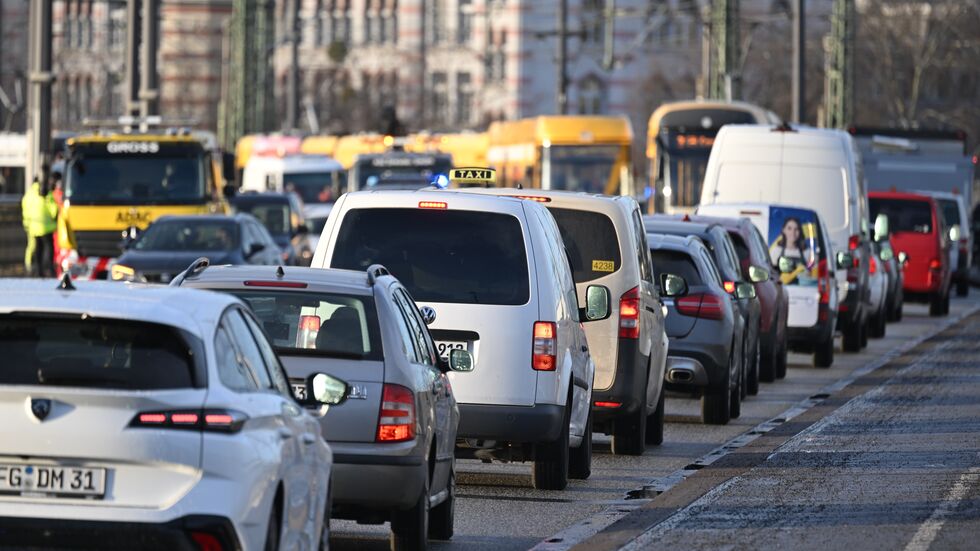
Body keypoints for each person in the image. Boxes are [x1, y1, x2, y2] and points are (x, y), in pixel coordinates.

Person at [21, 174, 58, 277]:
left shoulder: (29, 194)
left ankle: (37, 270)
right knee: (49, 248)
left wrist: (27, 223)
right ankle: (50, 269)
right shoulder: (47, 193)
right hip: (47, 227)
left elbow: (25, 209)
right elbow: (53, 211)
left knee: (37, 248)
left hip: (33, 227)